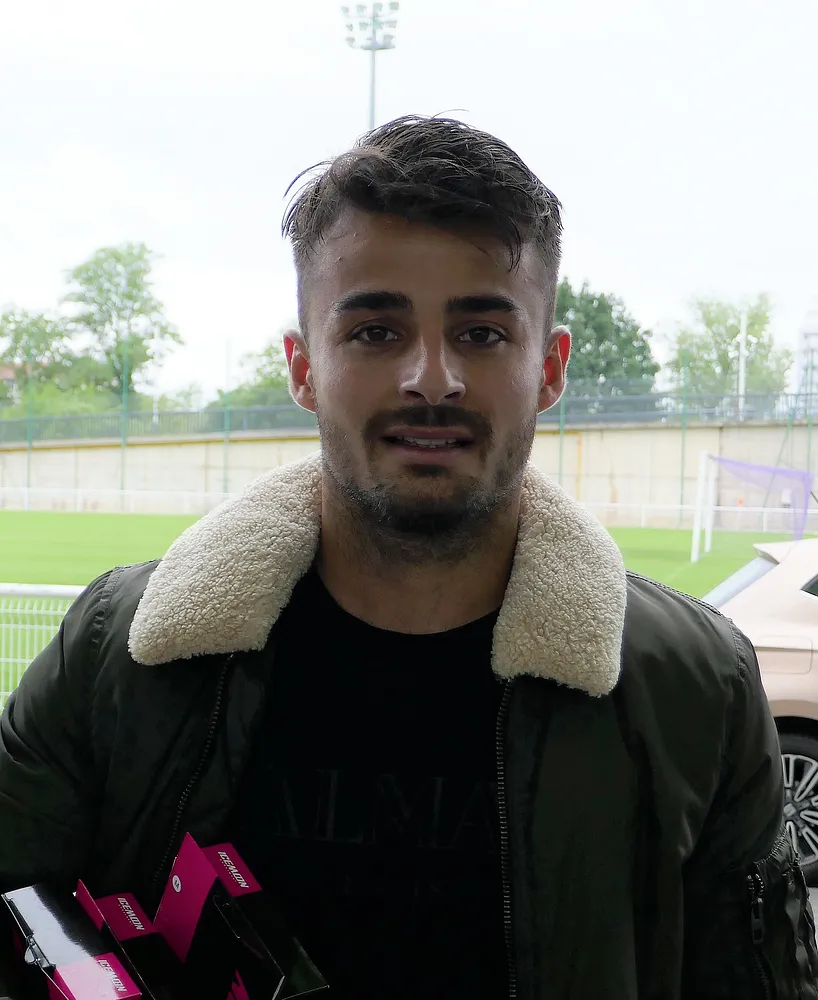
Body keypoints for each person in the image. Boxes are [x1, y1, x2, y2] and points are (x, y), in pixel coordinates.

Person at [0, 116, 816, 1000]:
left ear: (550, 368)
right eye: (376, 332)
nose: (432, 378)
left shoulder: (696, 688)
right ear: (303, 368)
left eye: (482, 333)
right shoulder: (115, 655)